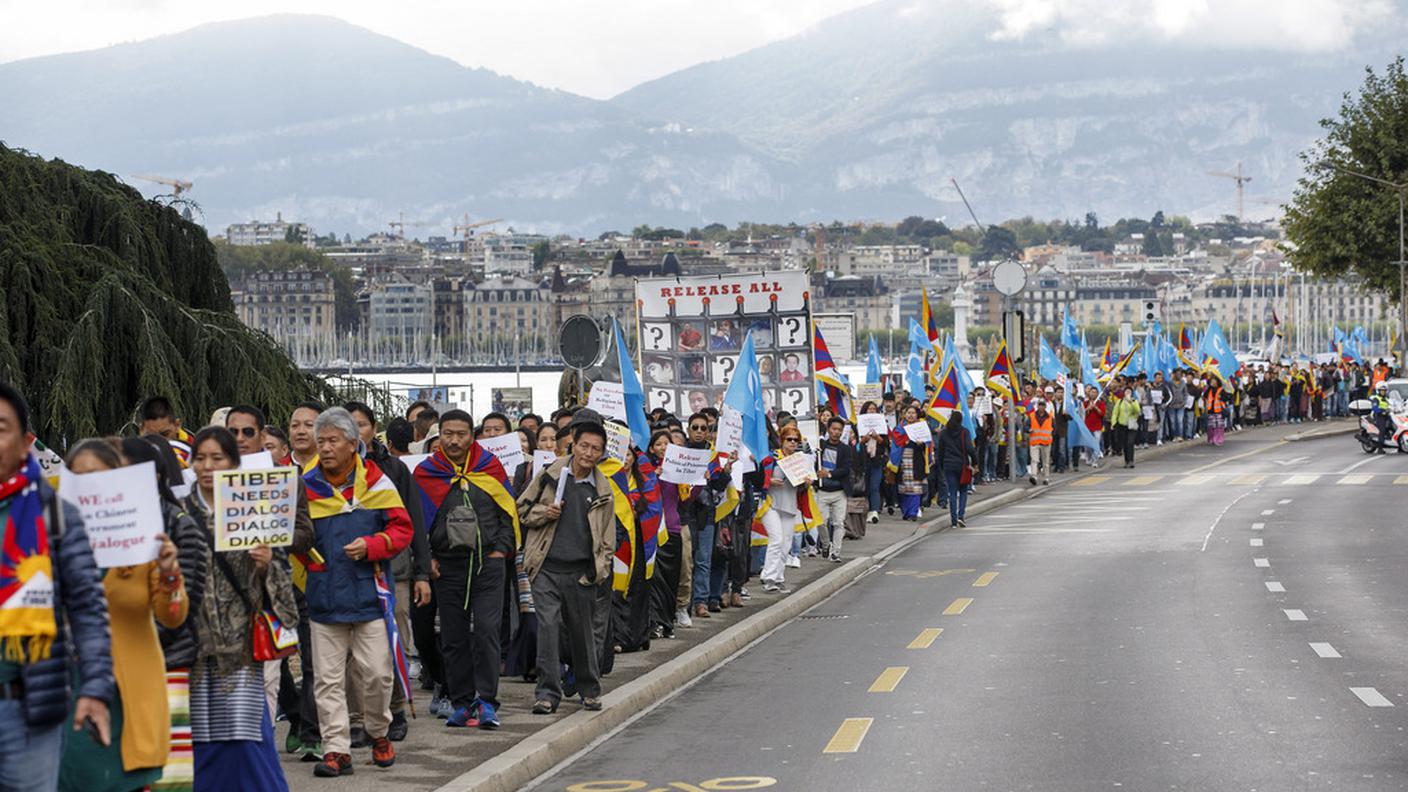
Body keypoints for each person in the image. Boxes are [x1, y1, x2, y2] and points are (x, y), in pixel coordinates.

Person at [0, 383, 113, 790]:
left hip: (27, 709)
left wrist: (97, 687)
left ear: (24, 441)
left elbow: (86, 607)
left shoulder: (56, 517)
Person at [59, 440, 188, 792]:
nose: (89, 488)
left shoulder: (144, 537)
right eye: (79, 478)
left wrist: (169, 573)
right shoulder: (47, 537)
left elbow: (173, 616)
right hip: (62, 688)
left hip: (125, 694)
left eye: (98, 477)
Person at [297, 408, 414, 777]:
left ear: (354, 444)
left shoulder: (377, 483)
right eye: (322, 441)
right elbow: (294, 535)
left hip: (369, 598)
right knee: (328, 681)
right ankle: (337, 750)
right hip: (324, 597)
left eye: (333, 441)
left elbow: (402, 530)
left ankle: (379, 733)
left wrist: (373, 545)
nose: (326, 448)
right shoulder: (304, 486)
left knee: (379, 674)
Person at [184, 426, 294, 791]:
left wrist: (266, 565)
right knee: (200, 743)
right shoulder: (176, 513)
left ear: (233, 463)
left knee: (246, 743)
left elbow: (283, 584)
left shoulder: (256, 507)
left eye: (217, 458)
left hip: (240, 651)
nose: (207, 466)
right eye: (200, 458)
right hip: (191, 652)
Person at [413, 409, 519, 730]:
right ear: (439, 435)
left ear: (472, 436)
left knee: (486, 631)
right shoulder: (427, 472)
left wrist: (501, 549)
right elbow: (418, 523)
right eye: (448, 434)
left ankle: (486, 701)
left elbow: (507, 511)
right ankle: (460, 701)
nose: (454, 440)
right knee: (453, 635)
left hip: (489, 563)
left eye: (461, 434)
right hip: (446, 566)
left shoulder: (489, 467)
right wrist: (427, 557)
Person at [125, 435, 208, 792]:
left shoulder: (179, 524)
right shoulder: (103, 529)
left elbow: (187, 601)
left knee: (166, 771)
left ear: (155, 477)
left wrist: (140, 637)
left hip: (167, 660)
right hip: (120, 665)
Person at [344, 402, 430, 743]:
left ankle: (394, 710)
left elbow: (413, 522)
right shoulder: (328, 471)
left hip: (391, 573)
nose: (355, 431)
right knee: (352, 653)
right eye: (347, 425)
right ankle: (357, 720)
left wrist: (422, 572)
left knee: (389, 645)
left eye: (361, 425)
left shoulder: (392, 469)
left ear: (373, 428)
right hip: (347, 573)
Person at [517, 422, 616, 714]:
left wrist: (600, 567)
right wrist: (544, 512)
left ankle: (589, 689)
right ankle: (547, 694)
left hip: (581, 572)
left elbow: (607, 536)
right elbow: (522, 510)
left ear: (601, 453)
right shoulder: (549, 476)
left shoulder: (602, 487)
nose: (588, 453)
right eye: (584, 446)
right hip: (546, 568)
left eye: (595, 449)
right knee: (547, 630)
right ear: (573, 444)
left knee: (582, 633)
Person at [759, 424, 809, 593]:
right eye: (789, 439)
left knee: (786, 543)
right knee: (776, 539)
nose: (793, 443)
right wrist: (769, 481)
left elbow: (802, 488)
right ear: (782, 440)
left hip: (789, 505)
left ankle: (779, 578)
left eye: (796, 440)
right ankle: (769, 577)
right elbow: (759, 478)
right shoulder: (772, 457)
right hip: (770, 504)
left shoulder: (800, 461)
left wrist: (806, 483)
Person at [815, 417, 852, 562]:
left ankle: (836, 552)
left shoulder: (846, 449)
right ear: (828, 429)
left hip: (839, 491)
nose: (836, 432)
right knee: (821, 521)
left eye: (839, 430)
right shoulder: (820, 446)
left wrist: (829, 474)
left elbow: (846, 469)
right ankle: (825, 544)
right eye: (834, 429)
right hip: (822, 490)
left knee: (838, 523)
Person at [934, 415, 978, 529]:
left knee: (952, 492)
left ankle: (953, 520)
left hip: (949, 464)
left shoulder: (943, 433)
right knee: (963, 491)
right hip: (962, 464)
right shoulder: (964, 432)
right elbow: (970, 448)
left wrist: (942, 465)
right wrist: (975, 463)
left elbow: (941, 450)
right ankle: (961, 516)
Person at [140, 396, 195, 466]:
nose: (159, 442)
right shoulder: (131, 457)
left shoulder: (198, 451)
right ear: (142, 430)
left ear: (177, 425)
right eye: (152, 437)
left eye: (165, 434)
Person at [897, 406, 926, 520]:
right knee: (903, 488)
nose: (910, 415)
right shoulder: (899, 428)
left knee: (916, 487)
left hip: (916, 459)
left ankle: (913, 512)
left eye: (913, 413)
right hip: (902, 460)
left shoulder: (921, 427)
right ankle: (906, 512)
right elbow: (896, 442)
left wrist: (921, 444)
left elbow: (927, 444)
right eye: (908, 412)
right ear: (905, 414)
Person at [287, 401, 323, 471]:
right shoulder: (275, 469)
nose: (301, 431)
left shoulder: (336, 468)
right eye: (295, 425)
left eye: (309, 425)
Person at [1111, 388, 1140, 468]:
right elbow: (1115, 413)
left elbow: (1137, 411)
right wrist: (1113, 423)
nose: (1128, 393)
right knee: (1125, 444)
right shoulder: (1120, 402)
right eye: (1126, 392)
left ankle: (1131, 461)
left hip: (1132, 425)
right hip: (1122, 425)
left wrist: (1132, 402)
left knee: (1130, 443)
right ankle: (1126, 461)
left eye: (1129, 392)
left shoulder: (1134, 401)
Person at [1028, 398, 1054, 486]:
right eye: (1040, 405)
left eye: (1043, 405)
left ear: (1045, 406)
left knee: (1045, 462)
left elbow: (1054, 428)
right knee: (1034, 460)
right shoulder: (1032, 416)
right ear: (1037, 406)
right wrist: (1028, 429)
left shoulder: (1050, 417)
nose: (1041, 407)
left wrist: (1050, 436)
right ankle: (1034, 476)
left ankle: (1046, 478)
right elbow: (1026, 426)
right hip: (1035, 441)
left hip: (1046, 442)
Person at [1370, 381, 1394, 452]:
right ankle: (1380, 448)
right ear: (1378, 391)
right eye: (1382, 391)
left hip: (1387, 416)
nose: (1383, 392)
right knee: (1382, 430)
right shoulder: (1376, 399)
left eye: (1384, 391)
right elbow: (1374, 408)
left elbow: (1392, 405)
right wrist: (1382, 410)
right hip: (1379, 416)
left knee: (1394, 427)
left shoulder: (1386, 399)